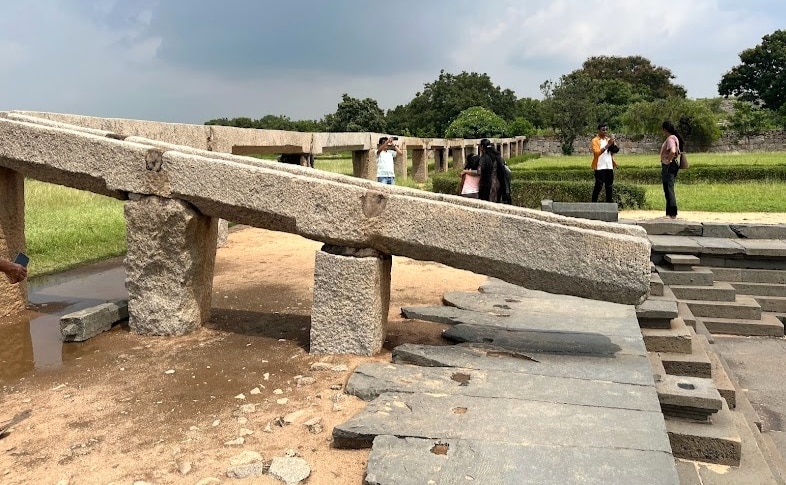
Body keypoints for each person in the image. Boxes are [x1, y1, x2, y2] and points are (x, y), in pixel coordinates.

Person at [660, 120, 684, 219]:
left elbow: (673, 151)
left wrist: (667, 161)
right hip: (673, 164)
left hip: (669, 165)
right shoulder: (675, 138)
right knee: (668, 187)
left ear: (665, 129)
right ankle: (669, 213)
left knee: (669, 188)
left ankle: (672, 213)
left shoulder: (670, 139)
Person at [590, 123, 618, 203]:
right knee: (599, 186)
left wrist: (613, 144)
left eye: (606, 130)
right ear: (598, 130)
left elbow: (614, 151)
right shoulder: (595, 140)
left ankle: (609, 203)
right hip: (599, 166)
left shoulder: (607, 139)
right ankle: (594, 203)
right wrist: (607, 146)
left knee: (609, 186)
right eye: (603, 130)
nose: (605, 131)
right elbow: (596, 153)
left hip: (609, 166)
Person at [478, 139, 511, 204]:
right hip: (498, 182)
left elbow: (479, 172)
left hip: (488, 184)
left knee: (489, 203)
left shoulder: (484, 157)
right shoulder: (497, 155)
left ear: (482, 147)